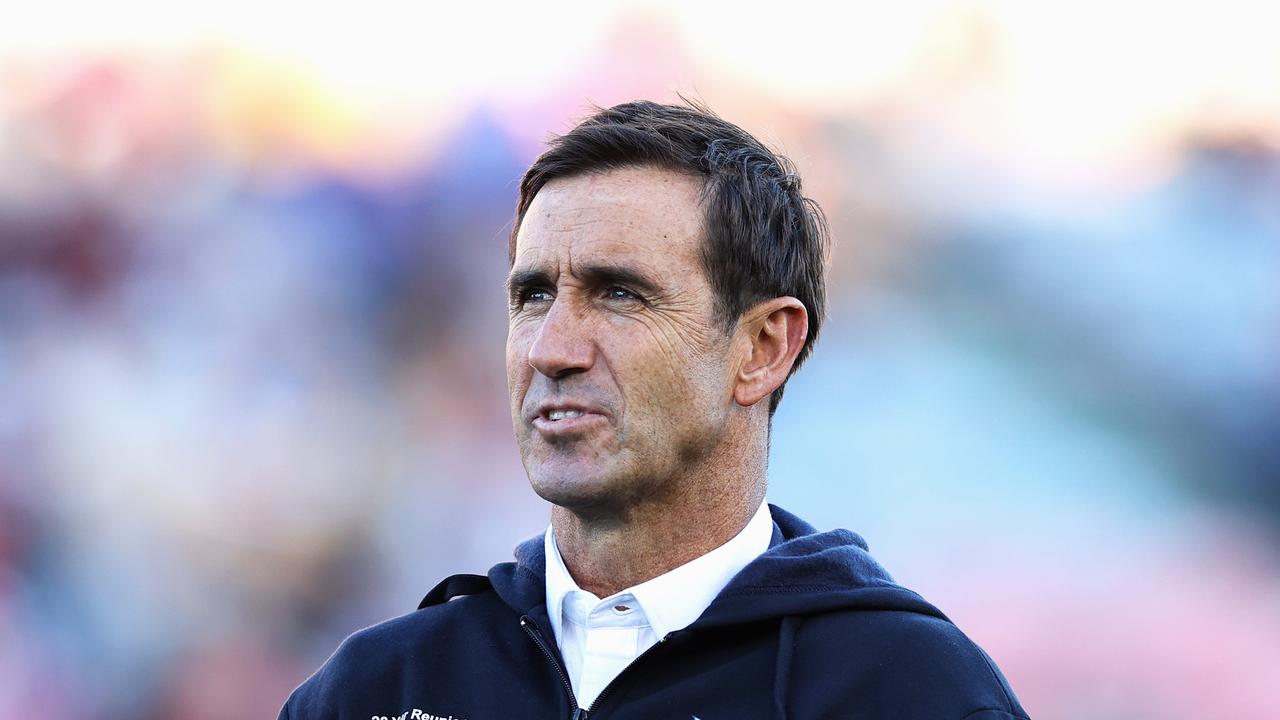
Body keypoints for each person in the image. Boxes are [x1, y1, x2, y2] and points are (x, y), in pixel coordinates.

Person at [279, 100, 1029, 720]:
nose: (552, 348)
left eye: (619, 294)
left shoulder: (909, 694)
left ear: (764, 347)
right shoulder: (379, 689)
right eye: (532, 295)